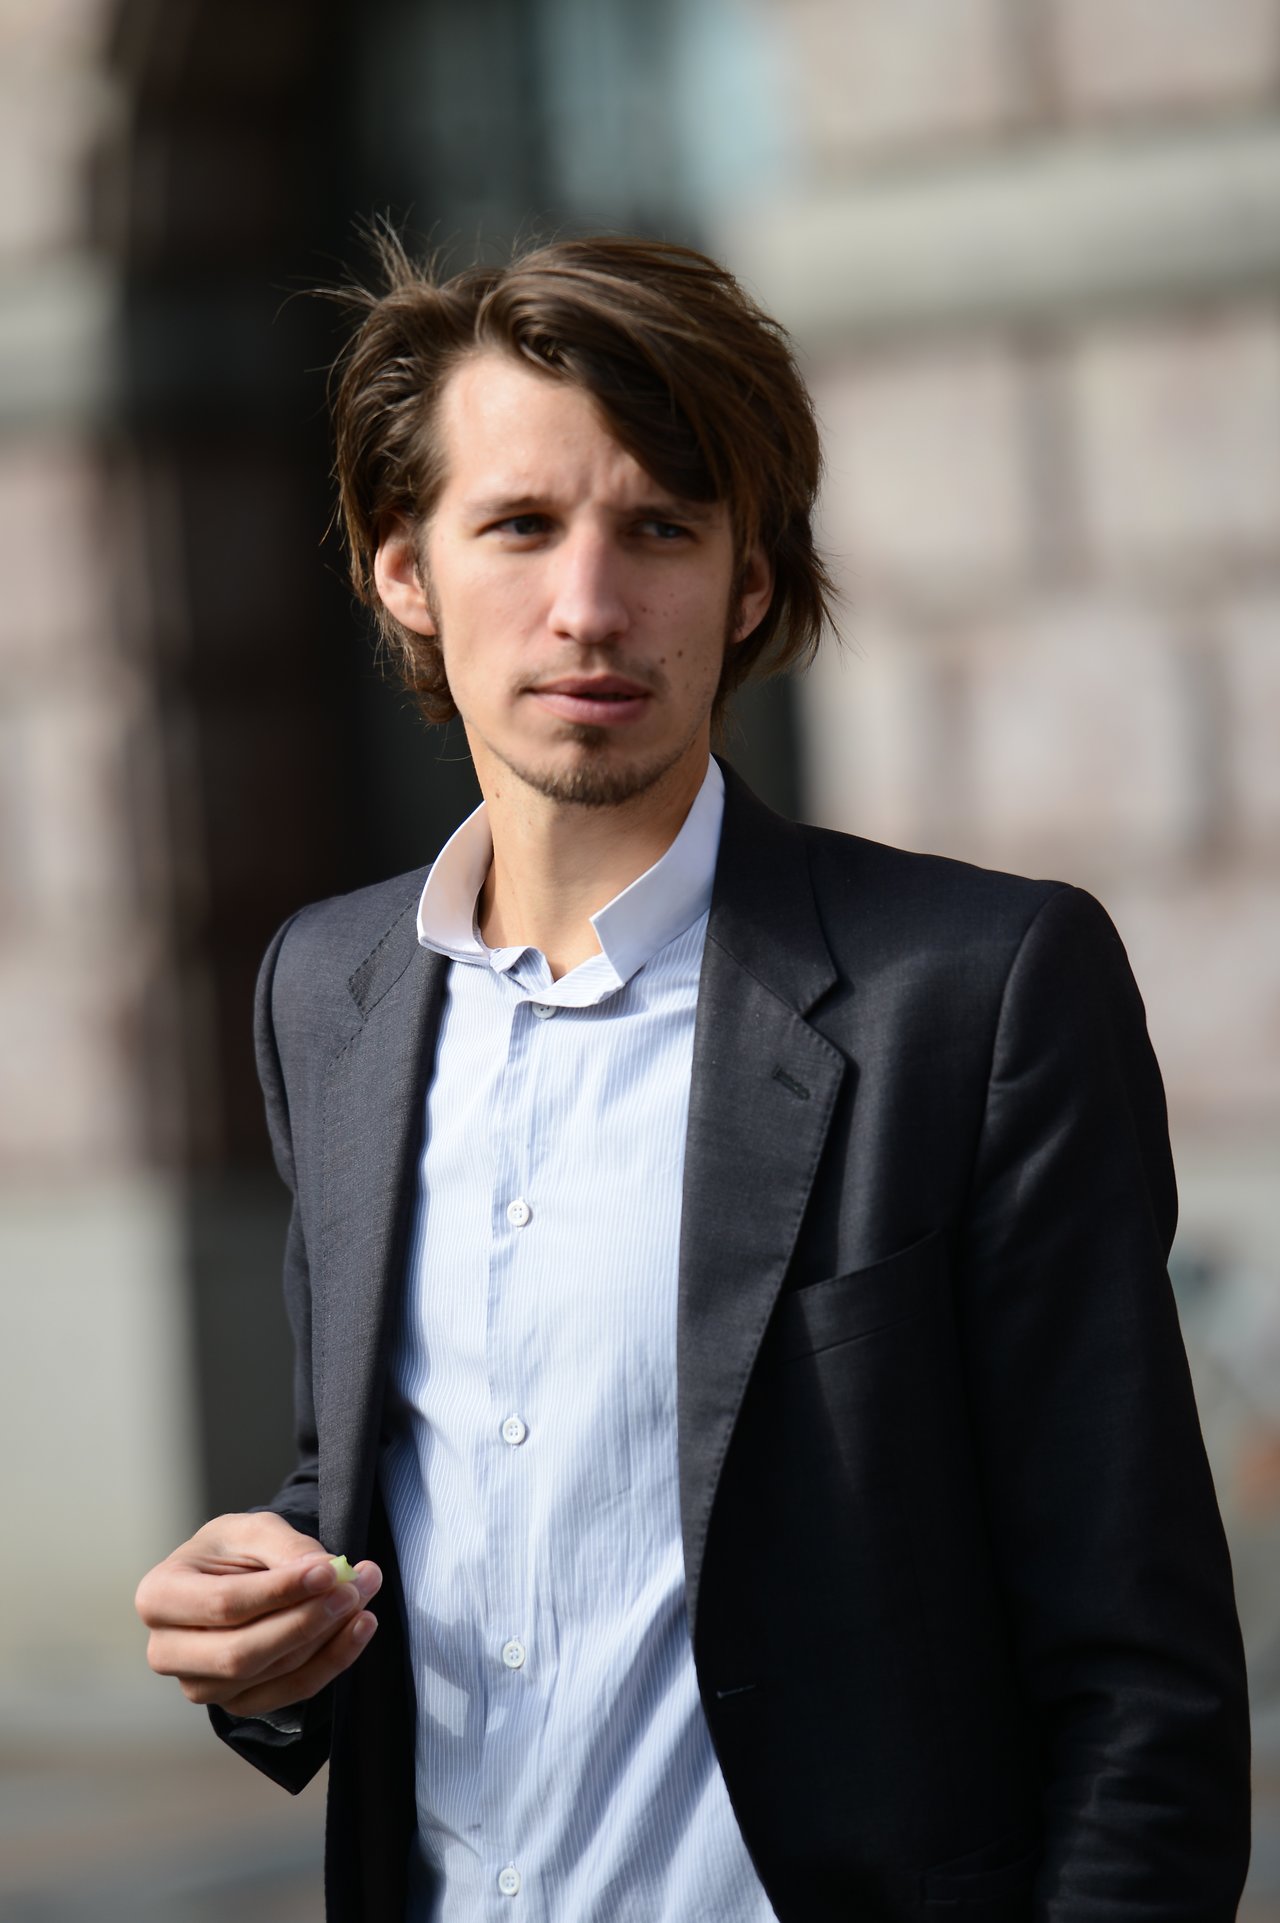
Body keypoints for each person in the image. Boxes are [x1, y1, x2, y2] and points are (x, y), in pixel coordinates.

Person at [136, 233, 1251, 1922]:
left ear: (747, 581)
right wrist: (266, 1641)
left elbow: (1143, 1682)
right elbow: (379, 1494)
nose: (590, 603)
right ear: (403, 573)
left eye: (660, 526)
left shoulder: (978, 993)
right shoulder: (330, 992)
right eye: (519, 525)